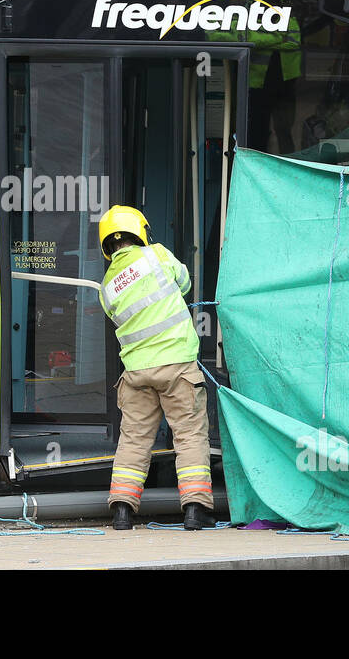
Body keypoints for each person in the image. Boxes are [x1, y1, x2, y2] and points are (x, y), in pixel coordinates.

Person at [98, 205, 215, 531]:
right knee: (190, 436)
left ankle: (122, 510)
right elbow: (184, 282)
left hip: (136, 373)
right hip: (177, 365)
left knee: (133, 440)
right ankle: (194, 509)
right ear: (140, 232)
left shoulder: (106, 287)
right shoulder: (156, 255)